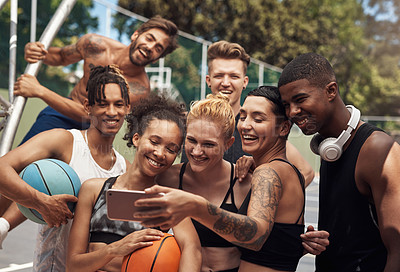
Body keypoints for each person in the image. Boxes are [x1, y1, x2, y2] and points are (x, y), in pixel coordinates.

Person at [135, 86, 327, 272]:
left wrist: (197, 206)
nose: (197, 151)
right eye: (191, 140)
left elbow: (258, 236)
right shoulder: (166, 177)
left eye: (208, 144)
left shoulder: (254, 178)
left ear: (228, 143)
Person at [278, 52, 400, 272]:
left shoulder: (378, 149)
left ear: (331, 91)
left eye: (300, 99)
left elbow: (398, 251)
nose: (292, 112)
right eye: (287, 105)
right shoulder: (330, 147)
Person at [0, 65, 130, 271]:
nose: (112, 112)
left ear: (127, 108)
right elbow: (2, 168)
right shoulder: (64, 141)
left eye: (118, 104)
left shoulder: (125, 169)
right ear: (88, 107)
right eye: (103, 104)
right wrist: (41, 202)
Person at [66, 93, 201, 272]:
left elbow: (193, 249)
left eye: (170, 149)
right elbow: (73, 266)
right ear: (136, 138)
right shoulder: (94, 190)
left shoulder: (168, 203)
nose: (160, 153)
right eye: (154, 141)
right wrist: (116, 249)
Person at [14, 15, 178, 144]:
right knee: (16, 166)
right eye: (149, 38)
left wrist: (40, 91)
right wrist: (37, 52)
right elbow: (59, 57)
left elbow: (90, 115)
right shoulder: (95, 45)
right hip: (59, 115)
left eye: (158, 48)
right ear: (136, 35)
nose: (150, 47)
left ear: (158, 58)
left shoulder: (139, 89)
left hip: (92, 132)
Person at [182, 40, 315, 185]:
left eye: (234, 76)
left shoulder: (255, 129)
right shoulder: (191, 122)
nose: (225, 83)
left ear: (244, 82)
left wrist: (270, 197)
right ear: (208, 80)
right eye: (219, 76)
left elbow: (306, 172)